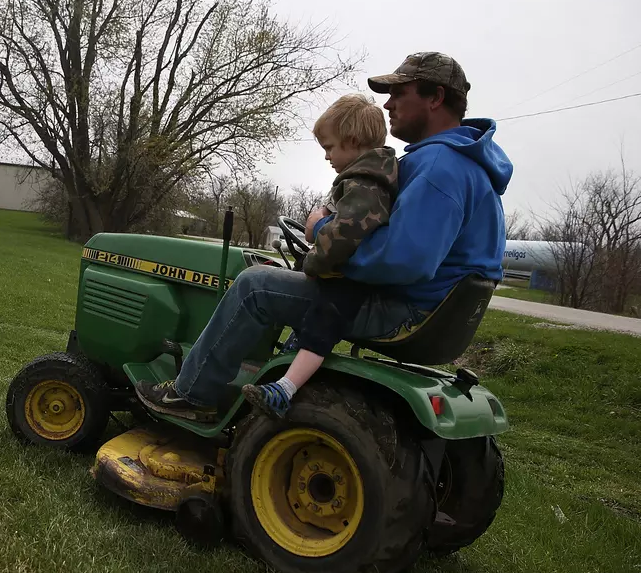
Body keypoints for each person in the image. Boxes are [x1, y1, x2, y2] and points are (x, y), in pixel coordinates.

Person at [135, 52, 513, 422]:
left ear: (435, 98)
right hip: (427, 313)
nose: (388, 104)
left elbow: (404, 259)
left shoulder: (439, 167)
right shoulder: (470, 165)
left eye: (400, 94)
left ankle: (190, 394)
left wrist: (319, 237)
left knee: (254, 287)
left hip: (401, 311)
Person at [241, 94, 398, 419]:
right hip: (346, 276)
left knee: (319, 326)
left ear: (353, 143)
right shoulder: (366, 179)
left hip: (349, 283)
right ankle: (278, 368)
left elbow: (342, 238)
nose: (326, 156)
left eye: (329, 147)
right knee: (309, 323)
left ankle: (284, 389)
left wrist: (312, 264)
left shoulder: (367, 185)